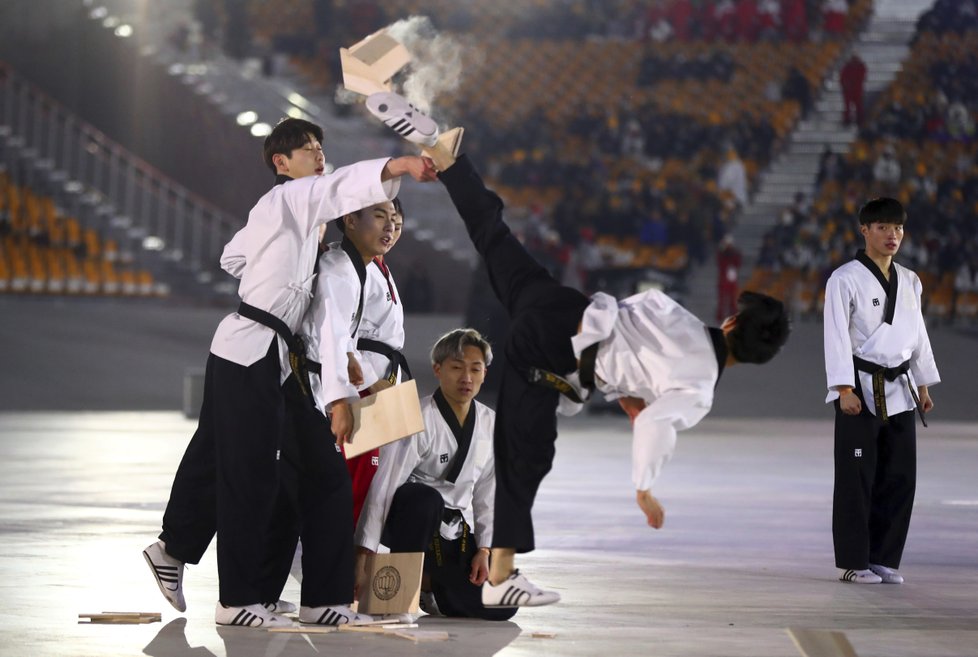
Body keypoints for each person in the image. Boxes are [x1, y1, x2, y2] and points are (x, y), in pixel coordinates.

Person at [403, 127, 790, 607]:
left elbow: (638, 314)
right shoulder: (699, 387)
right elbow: (654, 424)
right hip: (551, 352)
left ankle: (450, 163)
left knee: (495, 236)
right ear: (755, 359)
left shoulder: (683, 319)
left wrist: (626, 390)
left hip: (559, 304)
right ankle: (501, 576)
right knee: (528, 455)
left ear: (732, 321)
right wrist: (644, 487)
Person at [141, 116, 437, 628]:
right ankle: (236, 599)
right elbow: (334, 191)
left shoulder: (296, 219)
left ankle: (317, 596)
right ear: (282, 163)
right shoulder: (290, 199)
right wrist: (402, 165)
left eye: (321, 147)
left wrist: (278, 269)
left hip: (275, 358)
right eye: (308, 149)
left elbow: (232, 256)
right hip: (252, 351)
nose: (319, 156)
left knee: (310, 474)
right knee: (249, 477)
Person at [355, 328, 516, 621]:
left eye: (475, 369)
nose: (466, 378)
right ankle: (396, 592)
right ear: (438, 370)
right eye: (456, 368)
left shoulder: (492, 424)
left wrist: (484, 549)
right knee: (424, 499)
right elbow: (385, 485)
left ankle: (427, 584)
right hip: (408, 521)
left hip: (451, 532)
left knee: (505, 599)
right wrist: (364, 552)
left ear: (484, 374)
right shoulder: (419, 416)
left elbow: (487, 494)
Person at [823, 197, 940, 585]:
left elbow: (917, 335)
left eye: (898, 228)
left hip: (902, 390)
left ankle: (884, 558)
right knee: (857, 475)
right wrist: (843, 388)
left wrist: (922, 382)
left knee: (901, 475)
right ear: (865, 231)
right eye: (884, 228)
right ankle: (853, 562)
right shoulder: (845, 278)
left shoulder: (910, 280)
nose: (893, 236)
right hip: (860, 388)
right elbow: (837, 336)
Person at [716, 234, 742, 322]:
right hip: (723, 278)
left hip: (732, 278)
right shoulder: (722, 253)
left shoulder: (735, 253)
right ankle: (721, 315)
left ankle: (732, 314)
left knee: (732, 298)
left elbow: (738, 263)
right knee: (722, 298)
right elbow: (720, 263)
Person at [840, 54, 867, 127]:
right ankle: (847, 120)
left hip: (857, 90)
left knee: (858, 106)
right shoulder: (847, 67)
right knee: (847, 106)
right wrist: (845, 85)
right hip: (848, 90)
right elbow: (842, 78)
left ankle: (859, 120)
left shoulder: (861, 67)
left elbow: (862, 76)